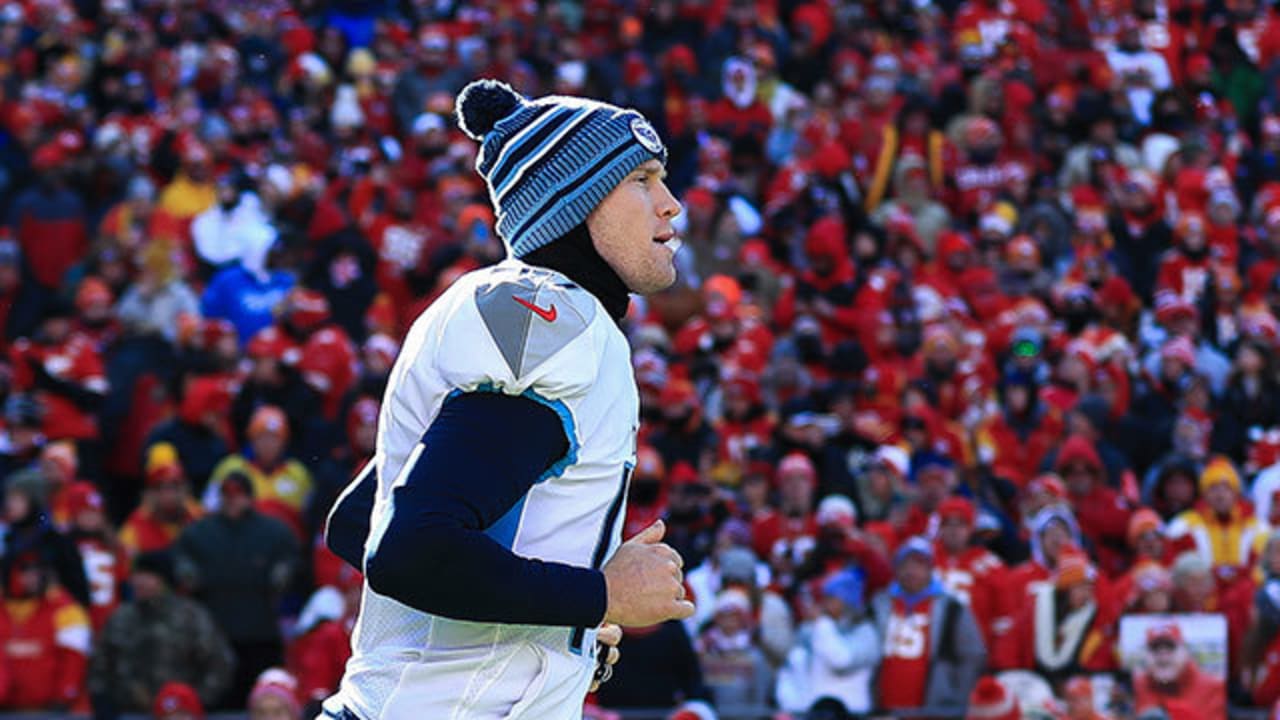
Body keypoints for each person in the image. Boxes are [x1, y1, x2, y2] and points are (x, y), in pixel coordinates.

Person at [321, 79, 693, 719]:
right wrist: (598, 595)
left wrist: (553, 626)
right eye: (643, 178)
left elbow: (359, 523)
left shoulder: (513, 304)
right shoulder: (552, 317)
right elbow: (410, 552)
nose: (671, 205)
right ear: (576, 198)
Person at [176, 471, 300, 708]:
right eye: (227, 494)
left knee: (262, 701)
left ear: (250, 497)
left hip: (261, 630)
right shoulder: (200, 532)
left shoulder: (273, 531)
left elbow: (293, 559)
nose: (233, 500)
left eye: (239, 494)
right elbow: (180, 558)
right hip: (213, 633)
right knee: (219, 700)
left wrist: (284, 572)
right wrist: (187, 571)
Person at [88, 551, 235, 714]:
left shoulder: (191, 617)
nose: (139, 581)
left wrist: (194, 702)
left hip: (180, 715)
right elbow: (99, 667)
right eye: (137, 575)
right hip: (130, 712)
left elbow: (220, 664)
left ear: (165, 581)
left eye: (148, 576)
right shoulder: (120, 617)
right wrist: (105, 703)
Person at [871, 537, 986, 712]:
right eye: (905, 564)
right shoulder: (880, 604)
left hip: (934, 709)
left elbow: (972, 655)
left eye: (918, 564)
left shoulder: (951, 608)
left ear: (931, 569)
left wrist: (957, 700)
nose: (911, 571)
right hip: (883, 708)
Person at [1132, 623, 1225, 720]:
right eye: (1154, 648)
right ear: (1145, 655)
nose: (1163, 655)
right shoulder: (1134, 688)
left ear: (1185, 651)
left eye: (1170, 647)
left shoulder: (1216, 691)